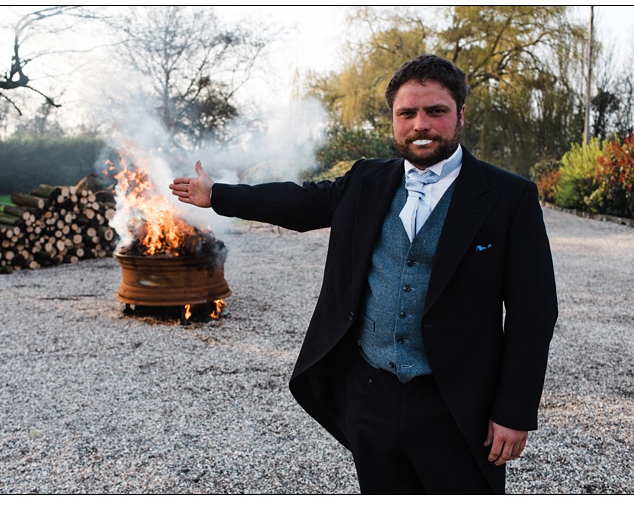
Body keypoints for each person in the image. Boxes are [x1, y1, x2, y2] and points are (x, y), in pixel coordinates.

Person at [169, 54, 557, 493]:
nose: (420, 125)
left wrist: (514, 411)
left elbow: (533, 314)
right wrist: (217, 194)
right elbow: (299, 203)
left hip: (458, 405)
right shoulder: (366, 180)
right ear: (393, 119)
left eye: (436, 111)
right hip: (372, 397)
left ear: (460, 115)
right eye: (406, 113)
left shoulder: (510, 196)